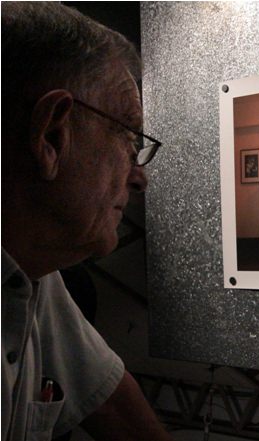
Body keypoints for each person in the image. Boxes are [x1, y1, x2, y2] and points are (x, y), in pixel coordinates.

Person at [1, 3, 172, 440]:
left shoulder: (34, 270)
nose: (139, 177)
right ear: (51, 135)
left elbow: (113, 404)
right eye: (128, 139)